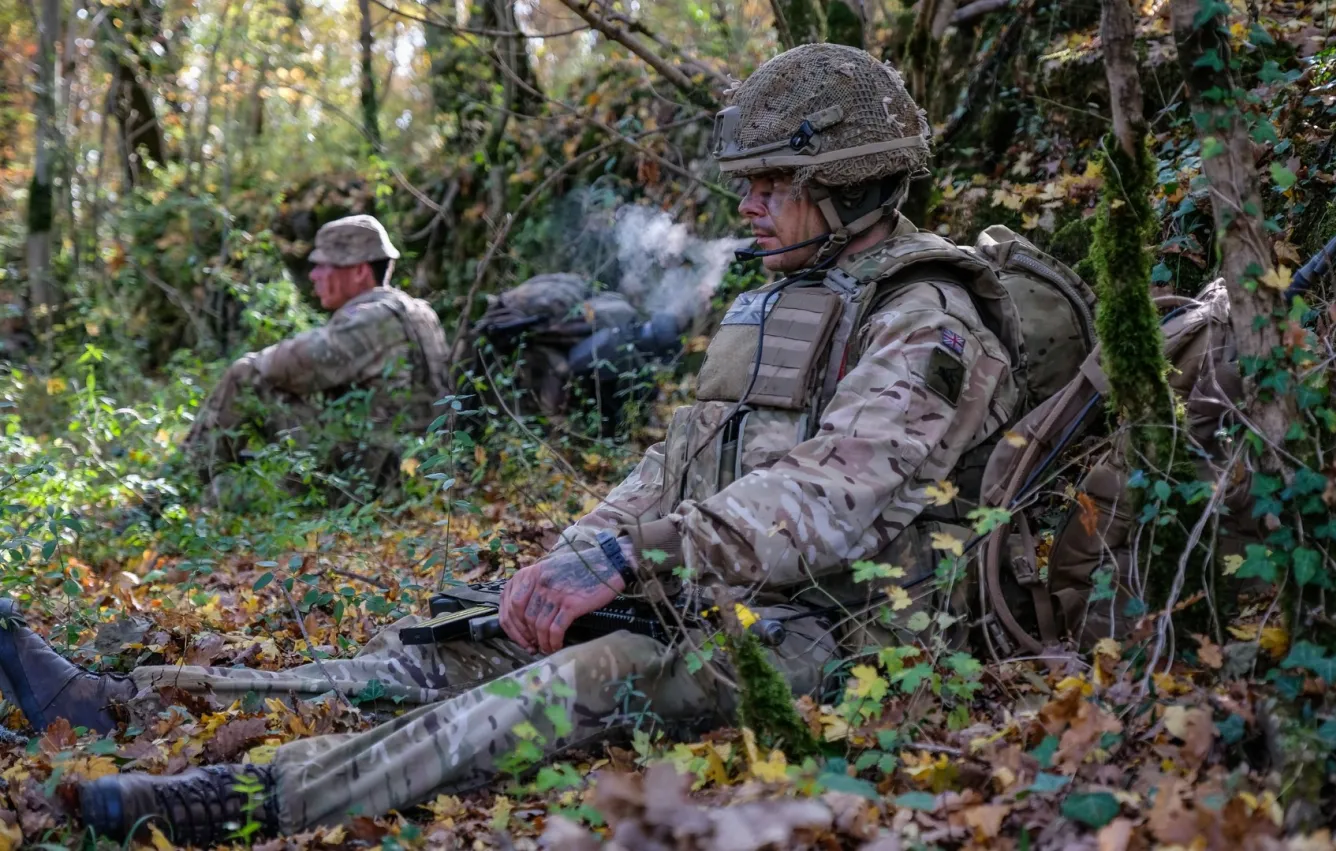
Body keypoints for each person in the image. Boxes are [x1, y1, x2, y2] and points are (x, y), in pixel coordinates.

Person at [0, 44, 1024, 844]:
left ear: (848, 184)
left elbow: (830, 498)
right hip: (713, 585)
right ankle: (117, 701)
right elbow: (673, 461)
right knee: (449, 643)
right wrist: (578, 552)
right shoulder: (783, 295)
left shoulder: (926, 317)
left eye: (773, 181)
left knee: (581, 677)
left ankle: (249, 798)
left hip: (832, 630)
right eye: (746, 180)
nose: (747, 203)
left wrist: (631, 558)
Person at [179, 214, 449, 503]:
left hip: (367, 481)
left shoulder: (369, 318)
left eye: (323, 265)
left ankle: (173, 487)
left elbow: (279, 366)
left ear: (359, 271)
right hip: (423, 471)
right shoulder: (421, 312)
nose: (314, 275)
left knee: (246, 374)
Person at [468, 272, 682, 436]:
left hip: (517, 321)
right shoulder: (618, 330)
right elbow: (566, 367)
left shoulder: (617, 309)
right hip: (526, 334)